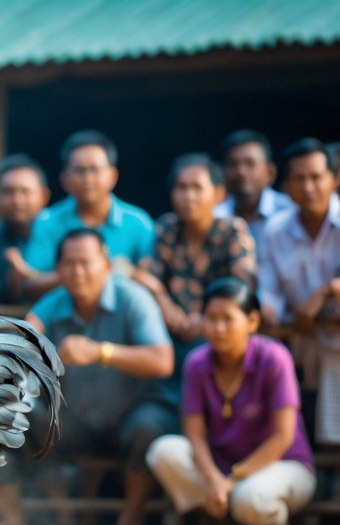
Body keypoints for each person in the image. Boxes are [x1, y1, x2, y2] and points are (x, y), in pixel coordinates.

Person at [0, 229, 175, 525]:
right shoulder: (50, 304)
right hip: (72, 423)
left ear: (107, 265)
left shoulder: (134, 298)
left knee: (150, 424)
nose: (78, 271)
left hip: (129, 420)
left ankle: (130, 522)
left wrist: (102, 352)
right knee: (9, 409)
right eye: (69, 264)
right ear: (59, 270)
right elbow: (24, 344)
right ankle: (50, 519)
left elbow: (163, 361)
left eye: (86, 262)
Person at [147, 277, 313, 525]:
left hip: (282, 465)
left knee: (251, 500)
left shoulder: (274, 358)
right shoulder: (197, 363)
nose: (218, 328)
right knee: (164, 452)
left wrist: (232, 480)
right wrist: (213, 479)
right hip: (222, 467)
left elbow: (283, 437)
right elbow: (194, 433)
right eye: (211, 318)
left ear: (252, 322)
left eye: (228, 318)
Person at [132, 153, 256, 409]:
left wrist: (205, 320)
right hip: (171, 336)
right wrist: (165, 304)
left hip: (217, 335)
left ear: (219, 193)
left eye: (197, 188)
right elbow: (145, 278)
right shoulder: (167, 229)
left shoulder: (233, 231)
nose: (188, 196)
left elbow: (242, 288)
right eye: (181, 188)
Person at [256, 138, 340, 444]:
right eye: (299, 179)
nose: (308, 187)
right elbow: (270, 290)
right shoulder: (275, 230)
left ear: (334, 179)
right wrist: (267, 310)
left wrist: (328, 291)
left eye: (316, 177)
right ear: (287, 185)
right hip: (299, 340)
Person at [18, 130, 156, 297]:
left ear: (112, 176)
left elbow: (153, 281)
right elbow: (31, 285)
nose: (88, 178)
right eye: (80, 170)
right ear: (64, 179)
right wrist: (104, 271)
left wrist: (65, 275)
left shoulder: (139, 224)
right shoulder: (48, 222)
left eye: (94, 169)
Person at [0, 154, 50, 305]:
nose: (17, 201)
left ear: (44, 196)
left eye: (25, 192)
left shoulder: (62, 240)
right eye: (8, 192)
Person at [214, 130, 295, 246]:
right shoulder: (215, 216)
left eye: (250, 163)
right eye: (233, 164)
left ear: (270, 173)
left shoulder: (290, 212)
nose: (241, 172)